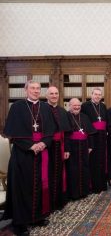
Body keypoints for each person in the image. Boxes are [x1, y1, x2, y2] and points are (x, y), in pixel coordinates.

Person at [2, 80, 56, 235]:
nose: (36, 91)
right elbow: (13, 132)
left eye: (38, 88)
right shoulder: (17, 107)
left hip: (41, 153)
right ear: (26, 90)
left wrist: (44, 143)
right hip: (23, 155)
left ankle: (38, 216)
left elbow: (51, 131)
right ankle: (20, 222)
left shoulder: (45, 107)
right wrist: (30, 145)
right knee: (22, 188)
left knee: (40, 184)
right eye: (32, 88)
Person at [46, 86, 71, 211]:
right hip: (47, 147)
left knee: (59, 174)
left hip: (60, 147)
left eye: (56, 93)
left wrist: (66, 149)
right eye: (51, 93)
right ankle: (48, 203)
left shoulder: (62, 111)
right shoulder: (42, 109)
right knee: (48, 174)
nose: (54, 96)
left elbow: (66, 133)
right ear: (47, 96)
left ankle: (58, 201)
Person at [66, 98, 96, 200]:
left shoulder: (84, 117)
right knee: (72, 170)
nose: (77, 107)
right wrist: (67, 149)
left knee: (84, 168)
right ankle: (73, 193)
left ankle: (84, 191)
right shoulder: (66, 116)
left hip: (84, 146)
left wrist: (91, 146)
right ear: (69, 106)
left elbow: (90, 133)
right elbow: (65, 135)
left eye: (78, 105)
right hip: (72, 147)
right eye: (74, 105)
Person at [81, 87, 108, 193]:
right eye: (95, 94)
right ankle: (93, 186)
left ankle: (102, 184)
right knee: (93, 161)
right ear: (91, 95)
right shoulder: (85, 106)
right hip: (91, 137)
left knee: (102, 161)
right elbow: (83, 121)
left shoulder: (103, 106)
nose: (97, 96)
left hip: (102, 137)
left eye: (99, 95)